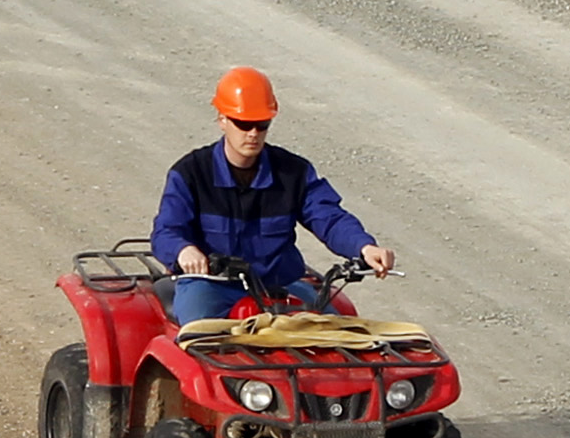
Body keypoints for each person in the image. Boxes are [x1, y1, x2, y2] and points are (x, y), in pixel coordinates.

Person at [150, 66, 395, 327]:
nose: (253, 133)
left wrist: (364, 247)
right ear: (222, 119)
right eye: (243, 123)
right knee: (200, 342)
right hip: (211, 286)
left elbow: (330, 218)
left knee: (338, 337)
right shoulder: (190, 173)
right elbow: (166, 231)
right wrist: (183, 250)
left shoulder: (293, 172)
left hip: (279, 285)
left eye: (261, 124)